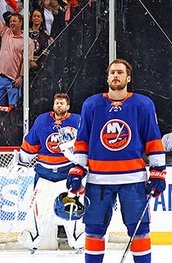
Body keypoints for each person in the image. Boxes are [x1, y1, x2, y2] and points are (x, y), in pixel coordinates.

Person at [67, 59, 165, 263]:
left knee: (139, 231)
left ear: (128, 78)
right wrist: (77, 168)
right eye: (112, 72)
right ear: (107, 77)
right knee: (93, 231)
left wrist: (158, 171)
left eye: (120, 72)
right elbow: (83, 139)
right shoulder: (91, 104)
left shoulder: (143, 104)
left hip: (134, 180)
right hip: (98, 180)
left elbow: (153, 139)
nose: (115, 76)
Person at [16, 93, 85, 251]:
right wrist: (22, 161)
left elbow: (86, 144)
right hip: (44, 174)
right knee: (39, 208)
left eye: (62, 103)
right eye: (57, 103)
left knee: (71, 209)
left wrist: (76, 155)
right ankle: (33, 238)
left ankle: (78, 239)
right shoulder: (42, 120)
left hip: (68, 173)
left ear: (68, 106)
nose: (59, 105)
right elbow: (31, 143)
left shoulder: (77, 121)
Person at [0, 0, 33, 106]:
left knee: (13, 109)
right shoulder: (6, 32)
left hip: (13, 79)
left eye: (14, 21)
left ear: (21, 23)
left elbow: (26, 62)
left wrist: (21, 77)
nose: (11, 23)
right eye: (10, 21)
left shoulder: (28, 41)